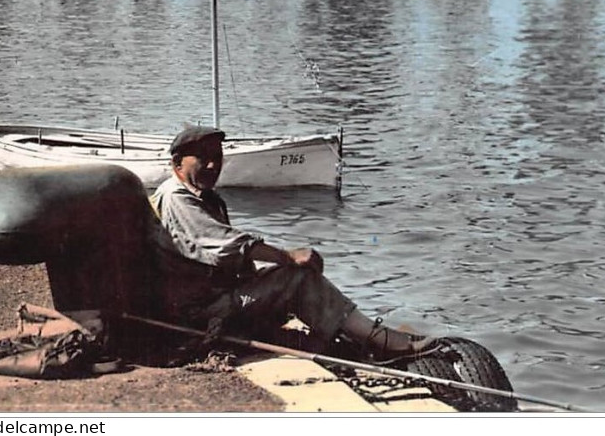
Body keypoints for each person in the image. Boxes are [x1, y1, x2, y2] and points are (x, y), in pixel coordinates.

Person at [151, 124, 435, 358]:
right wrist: (287, 256)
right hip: (199, 313)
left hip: (214, 297)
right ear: (177, 163)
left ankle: (358, 334)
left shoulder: (205, 196)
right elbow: (226, 246)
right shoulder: (176, 197)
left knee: (288, 275)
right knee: (297, 278)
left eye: (218, 155)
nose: (214, 164)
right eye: (203, 158)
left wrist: (270, 271)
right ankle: (383, 341)